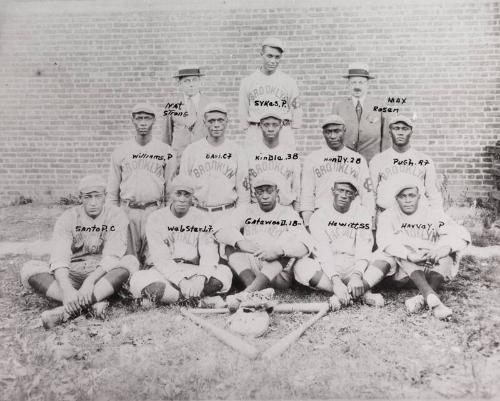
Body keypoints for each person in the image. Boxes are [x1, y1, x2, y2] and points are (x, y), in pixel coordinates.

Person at [20, 175, 138, 329]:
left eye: (98, 196)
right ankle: (89, 303)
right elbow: (59, 257)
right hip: (73, 273)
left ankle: (67, 310)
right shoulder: (68, 217)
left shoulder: (116, 215)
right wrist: (67, 288)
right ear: (80, 197)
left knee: (129, 262)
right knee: (30, 269)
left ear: (105, 197)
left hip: (102, 275)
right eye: (88, 197)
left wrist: (90, 281)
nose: (93, 202)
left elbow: (112, 255)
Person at [368, 177, 470, 319]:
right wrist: (409, 255)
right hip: (400, 272)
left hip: (429, 267)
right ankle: (432, 298)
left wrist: (442, 249)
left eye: (411, 195)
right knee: (402, 250)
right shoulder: (388, 216)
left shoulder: (432, 214)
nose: (408, 200)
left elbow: (460, 233)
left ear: (419, 196)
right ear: (396, 198)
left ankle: (424, 297)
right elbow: (385, 241)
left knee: (449, 254)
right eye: (403, 196)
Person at [129, 175, 233, 304]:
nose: (182, 199)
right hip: (163, 271)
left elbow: (209, 254)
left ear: (192, 197)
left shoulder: (203, 218)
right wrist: (181, 281)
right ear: (171, 195)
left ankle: (171, 298)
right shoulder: (156, 218)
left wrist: (201, 278)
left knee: (224, 274)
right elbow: (160, 258)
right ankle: (200, 301)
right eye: (178, 194)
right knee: (140, 280)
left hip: (193, 270)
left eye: (187, 195)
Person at [214, 172, 312, 293]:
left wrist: (279, 251)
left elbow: (306, 243)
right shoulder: (246, 210)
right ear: (255, 195)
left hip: (277, 274)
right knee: (230, 243)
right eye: (260, 192)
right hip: (252, 268)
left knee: (288, 243)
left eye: (269, 191)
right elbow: (219, 229)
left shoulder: (288, 213)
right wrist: (239, 242)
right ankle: (253, 287)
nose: (265, 196)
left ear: (277, 192)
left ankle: (251, 291)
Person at [294, 176, 383, 308]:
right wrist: (336, 281)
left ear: (355, 196)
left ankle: (349, 292)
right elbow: (322, 252)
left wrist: (357, 275)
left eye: (349, 192)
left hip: (354, 265)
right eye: (340, 190)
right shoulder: (319, 215)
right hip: (329, 267)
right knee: (301, 266)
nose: (344, 195)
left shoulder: (362, 213)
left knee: (384, 257)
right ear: (332, 191)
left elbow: (364, 248)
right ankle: (356, 293)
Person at [107, 103, 177, 267]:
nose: (143, 122)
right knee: (127, 260)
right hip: (127, 211)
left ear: (153, 121)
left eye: (147, 118)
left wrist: (167, 217)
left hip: (154, 210)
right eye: (139, 118)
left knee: (154, 260)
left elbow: (170, 190)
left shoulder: (165, 151)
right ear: (133, 121)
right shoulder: (121, 151)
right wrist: (113, 217)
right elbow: (112, 191)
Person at [300, 114, 375, 229]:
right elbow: (307, 194)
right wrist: (308, 223)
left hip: (351, 217)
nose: (332, 136)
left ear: (344, 131)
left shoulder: (358, 159)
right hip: (322, 215)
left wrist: (370, 221)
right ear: (323, 133)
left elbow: (367, 194)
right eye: (328, 132)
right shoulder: (313, 158)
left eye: (337, 131)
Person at [180, 102, 249, 217]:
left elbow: (244, 193)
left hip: (227, 213)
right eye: (211, 121)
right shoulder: (192, 150)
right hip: (198, 213)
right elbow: (183, 186)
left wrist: (238, 219)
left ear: (227, 122)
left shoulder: (237, 151)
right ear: (204, 123)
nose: (216, 125)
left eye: (220, 120)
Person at [370, 114, 443, 213]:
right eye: (396, 128)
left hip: (418, 217)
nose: (400, 132)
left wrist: (437, 219)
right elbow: (370, 194)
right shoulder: (378, 160)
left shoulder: (424, 160)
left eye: (405, 129)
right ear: (390, 132)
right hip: (386, 215)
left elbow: (434, 194)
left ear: (411, 132)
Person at [238, 37, 302, 149]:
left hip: (282, 132)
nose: (273, 61)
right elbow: (243, 110)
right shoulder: (248, 81)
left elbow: (296, 110)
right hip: (256, 131)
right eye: (269, 56)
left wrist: (290, 128)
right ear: (261, 54)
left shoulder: (289, 82)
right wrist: (249, 128)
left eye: (277, 57)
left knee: (284, 165)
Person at [332, 63, 389, 163]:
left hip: (372, 163)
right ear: (348, 84)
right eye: (353, 83)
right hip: (345, 163)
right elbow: (332, 138)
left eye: (361, 82)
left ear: (367, 84)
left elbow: (387, 138)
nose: (357, 86)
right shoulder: (338, 108)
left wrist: (383, 161)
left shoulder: (380, 107)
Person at [245, 110, 301, 210]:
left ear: (281, 126)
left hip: (284, 208)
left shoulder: (291, 154)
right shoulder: (249, 153)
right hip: (257, 210)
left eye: (275, 125)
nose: (270, 129)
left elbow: (297, 187)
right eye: (266, 125)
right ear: (260, 126)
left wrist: (297, 211)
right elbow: (245, 189)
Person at [162, 66, 212, 165]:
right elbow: (166, 136)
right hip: (179, 159)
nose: (191, 85)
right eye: (187, 81)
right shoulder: (172, 106)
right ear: (179, 84)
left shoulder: (209, 104)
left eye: (194, 80)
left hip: (203, 158)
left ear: (200, 82)